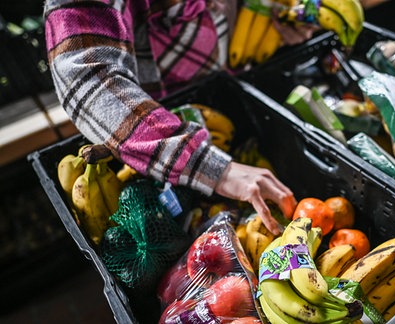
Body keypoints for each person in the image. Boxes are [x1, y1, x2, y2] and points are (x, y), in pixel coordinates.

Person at [43, 0, 318, 235]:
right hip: (153, 137)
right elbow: (86, 76)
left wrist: (278, 20)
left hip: (231, 91)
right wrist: (213, 169)